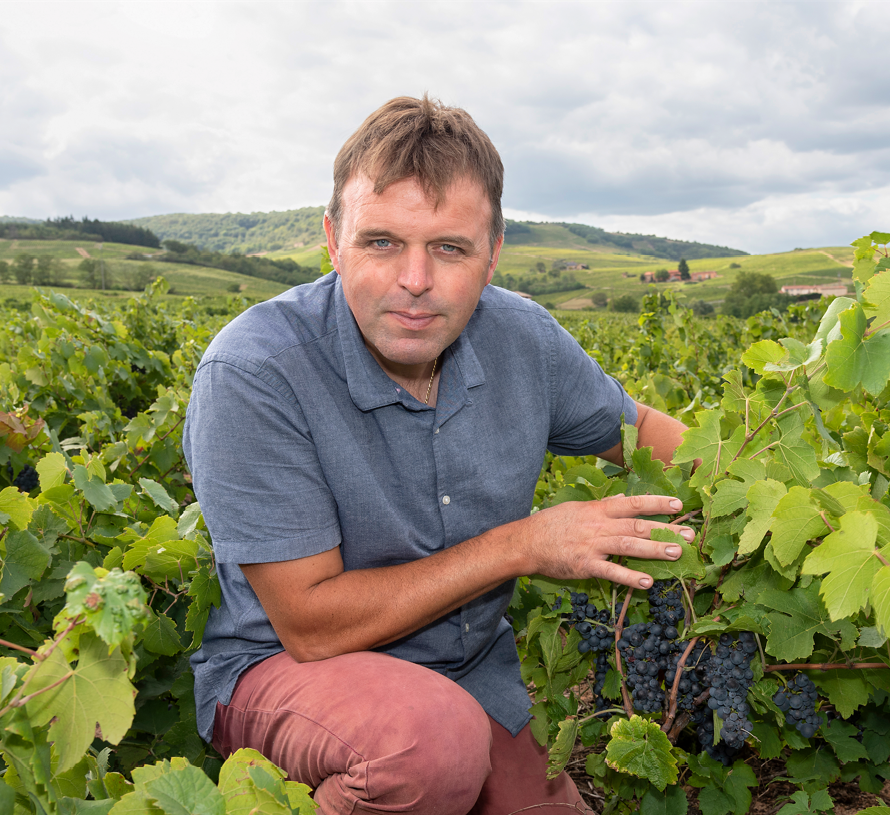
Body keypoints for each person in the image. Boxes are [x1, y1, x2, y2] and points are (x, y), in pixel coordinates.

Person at [183, 95, 693, 815]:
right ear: (333, 241)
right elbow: (310, 623)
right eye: (382, 242)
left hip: (467, 671)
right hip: (286, 670)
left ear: (492, 256)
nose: (415, 280)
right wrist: (523, 544)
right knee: (427, 746)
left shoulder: (524, 339)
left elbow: (644, 435)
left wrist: (781, 486)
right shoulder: (255, 372)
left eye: (450, 247)